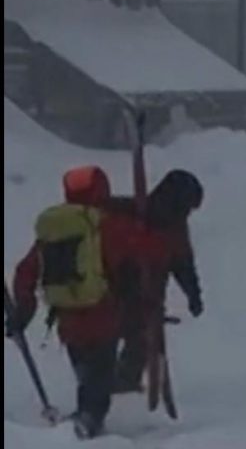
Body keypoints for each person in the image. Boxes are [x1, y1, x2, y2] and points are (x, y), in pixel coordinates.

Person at [8, 166, 142, 439]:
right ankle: (87, 426)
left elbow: (26, 271)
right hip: (103, 313)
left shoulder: (55, 229)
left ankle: (84, 422)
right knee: (100, 375)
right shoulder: (106, 225)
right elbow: (130, 263)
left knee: (86, 372)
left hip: (67, 317)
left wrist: (24, 310)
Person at [110, 169, 205, 393]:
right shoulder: (132, 213)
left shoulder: (175, 228)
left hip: (148, 296)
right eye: (188, 207)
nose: (188, 213)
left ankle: (123, 384)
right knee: (110, 338)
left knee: (141, 341)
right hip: (117, 290)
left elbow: (183, 265)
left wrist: (194, 294)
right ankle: (104, 384)